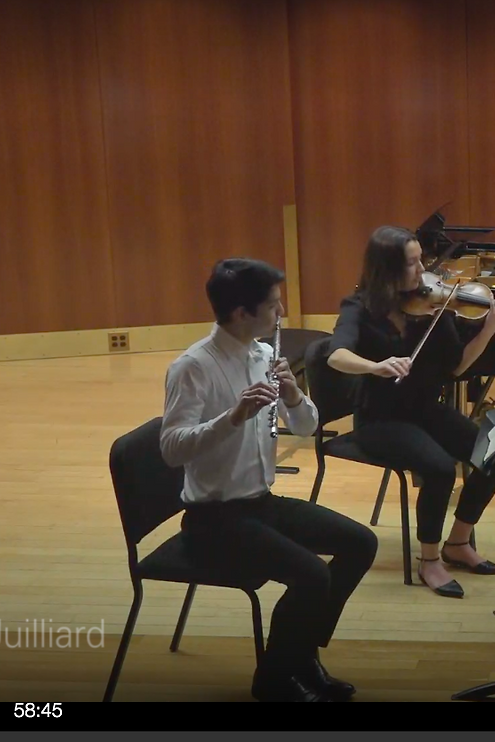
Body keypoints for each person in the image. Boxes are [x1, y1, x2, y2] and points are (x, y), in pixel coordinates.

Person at [161, 258, 379, 703]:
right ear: (242, 313)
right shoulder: (193, 367)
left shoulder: (262, 355)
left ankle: (301, 656)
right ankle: (276, 678)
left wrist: (295, 396)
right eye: (274, 305)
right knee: (312, 575)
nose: (282, 314)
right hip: (212, 520)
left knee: (361, 543)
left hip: (259, 503)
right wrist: (233, 416)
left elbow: (306, 428)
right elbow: (171, 449)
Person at [326, 225, 495, 599]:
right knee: (440, 468)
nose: (422, 270)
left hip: (425, 409)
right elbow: (337, 355)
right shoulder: (359, 307)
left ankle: (458, 542)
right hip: (380, 418)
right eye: (411, 263)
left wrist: (490, 328)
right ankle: (429, 560)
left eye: (421, 260)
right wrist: (375, 366)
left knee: (494, 453)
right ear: (386, 269)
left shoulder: (432, 306)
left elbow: (457, 367)